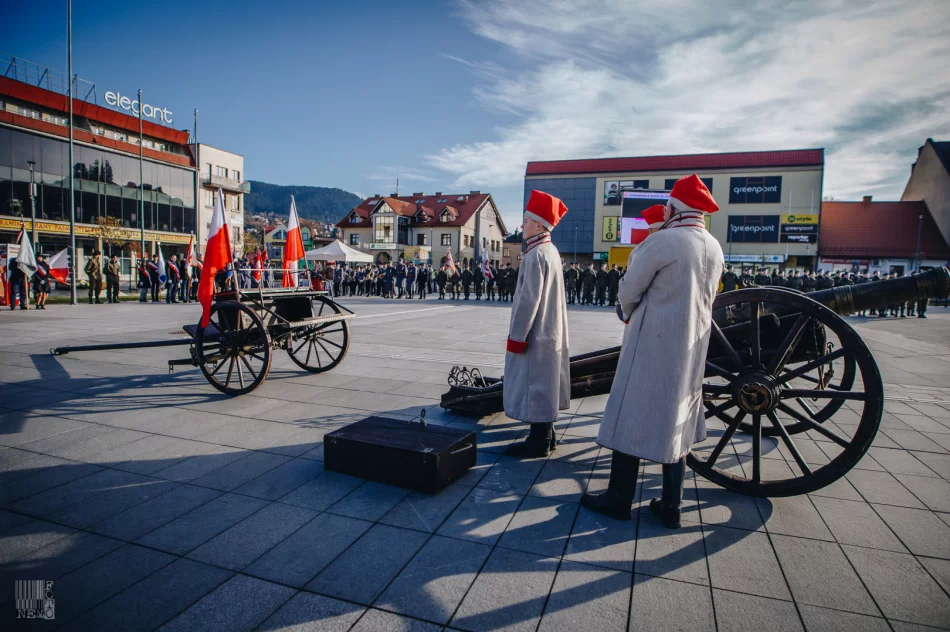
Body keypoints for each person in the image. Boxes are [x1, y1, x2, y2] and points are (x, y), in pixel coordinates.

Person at [582, 174, 723, 527]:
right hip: (690, 348)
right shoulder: (714, 246)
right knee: (677, 418)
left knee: (633, 414)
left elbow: (629, 291)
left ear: (673, 207)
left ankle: (619, 498)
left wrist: (625, 311)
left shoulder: (663, 242)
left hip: (652, 344)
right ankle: (671, 506)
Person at [503, 190, 570, 458]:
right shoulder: (550, 250)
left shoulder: (534, 255)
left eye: (526, 220)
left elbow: (527, 301)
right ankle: (548, 435)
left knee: (535, 384)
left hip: (536, 332)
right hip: (550, 329)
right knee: (546, 382)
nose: (523, 225)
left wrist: (517, 337)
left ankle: (539, 440)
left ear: (539, 224)